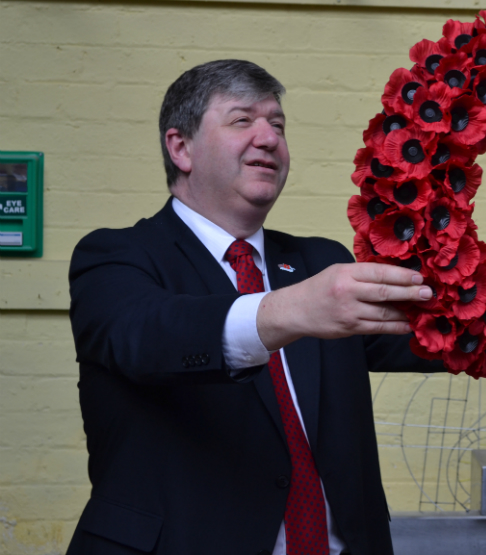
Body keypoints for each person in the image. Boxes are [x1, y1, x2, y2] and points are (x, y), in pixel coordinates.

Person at [66, 60, 447, 555]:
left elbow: (442, 331)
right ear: (180, 147)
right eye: (243, 120)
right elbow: (146, 335)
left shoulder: (321, 261)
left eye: (279, 125)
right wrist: (289, 310)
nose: (268, 138)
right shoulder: (116, 256)